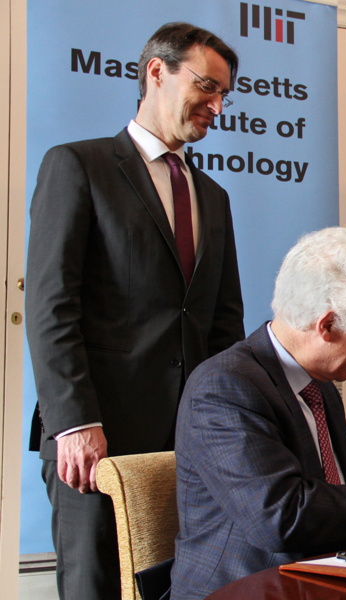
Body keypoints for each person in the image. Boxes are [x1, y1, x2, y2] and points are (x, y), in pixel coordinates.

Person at [25, 22, 245, 600]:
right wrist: (73, 422)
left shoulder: (214, 198)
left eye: (225, 95)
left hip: (190, 444)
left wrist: (228, 430)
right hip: (97, 437)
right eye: (208, 87)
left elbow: (223, 326)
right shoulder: (78, 166)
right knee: (95, 586)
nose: (217, 106)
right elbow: (51, 305)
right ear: (156, 71)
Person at [171, 227, 346, 600]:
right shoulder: (223, 387)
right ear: (328, 325)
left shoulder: (320, 388)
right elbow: (281, 517)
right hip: (243, 590)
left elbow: (329, 505)